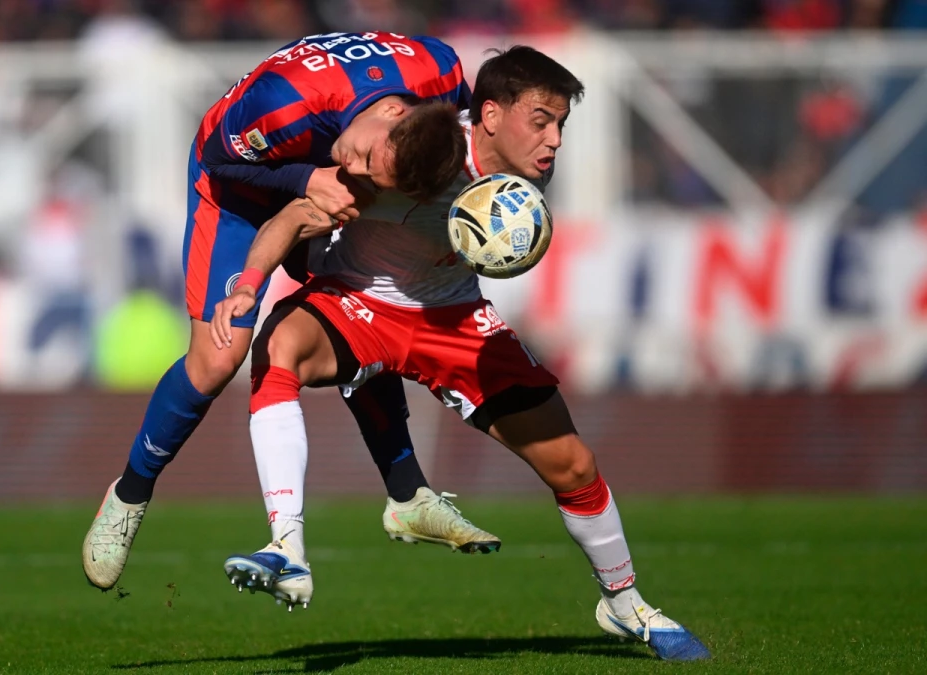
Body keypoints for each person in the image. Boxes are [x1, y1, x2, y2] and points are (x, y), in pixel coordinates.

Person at [212, 46, 711, 662]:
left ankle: (623, 602)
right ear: (491, 114)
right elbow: (296, 215)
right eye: (542, 120)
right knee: (277, 347)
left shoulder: (519, 175)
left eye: (561, 125)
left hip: (454, 319)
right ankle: (286, 549)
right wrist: (247, 287)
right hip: (360, 301)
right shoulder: (417, 152)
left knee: (574, 467)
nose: (554, 139)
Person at [83, 31, 501, 592]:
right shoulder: (283, 103)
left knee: (358, 305)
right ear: (394, 114)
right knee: (217, 360)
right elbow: (219, 158)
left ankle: (407, 493)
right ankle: (129, 494)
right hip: (242, 180)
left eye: (376, 174)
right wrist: (306, 178)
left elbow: (463, 143)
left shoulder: (441, 73)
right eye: (366, 158)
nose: (360, 169)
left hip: (312, 167)